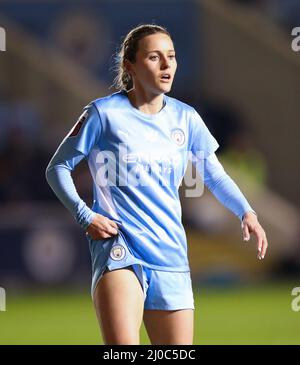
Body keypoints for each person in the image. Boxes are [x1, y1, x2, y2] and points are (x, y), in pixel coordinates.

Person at [45, 24, 268, 345]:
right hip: (119, 251)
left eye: (172, 57)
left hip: (171, 255)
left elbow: (214, 174)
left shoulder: (186, 118)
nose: (166, 65)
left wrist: (246, 211)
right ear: (129, 66)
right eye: (154, 57)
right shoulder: (103, 114)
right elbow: (58, 168)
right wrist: (85, 215)